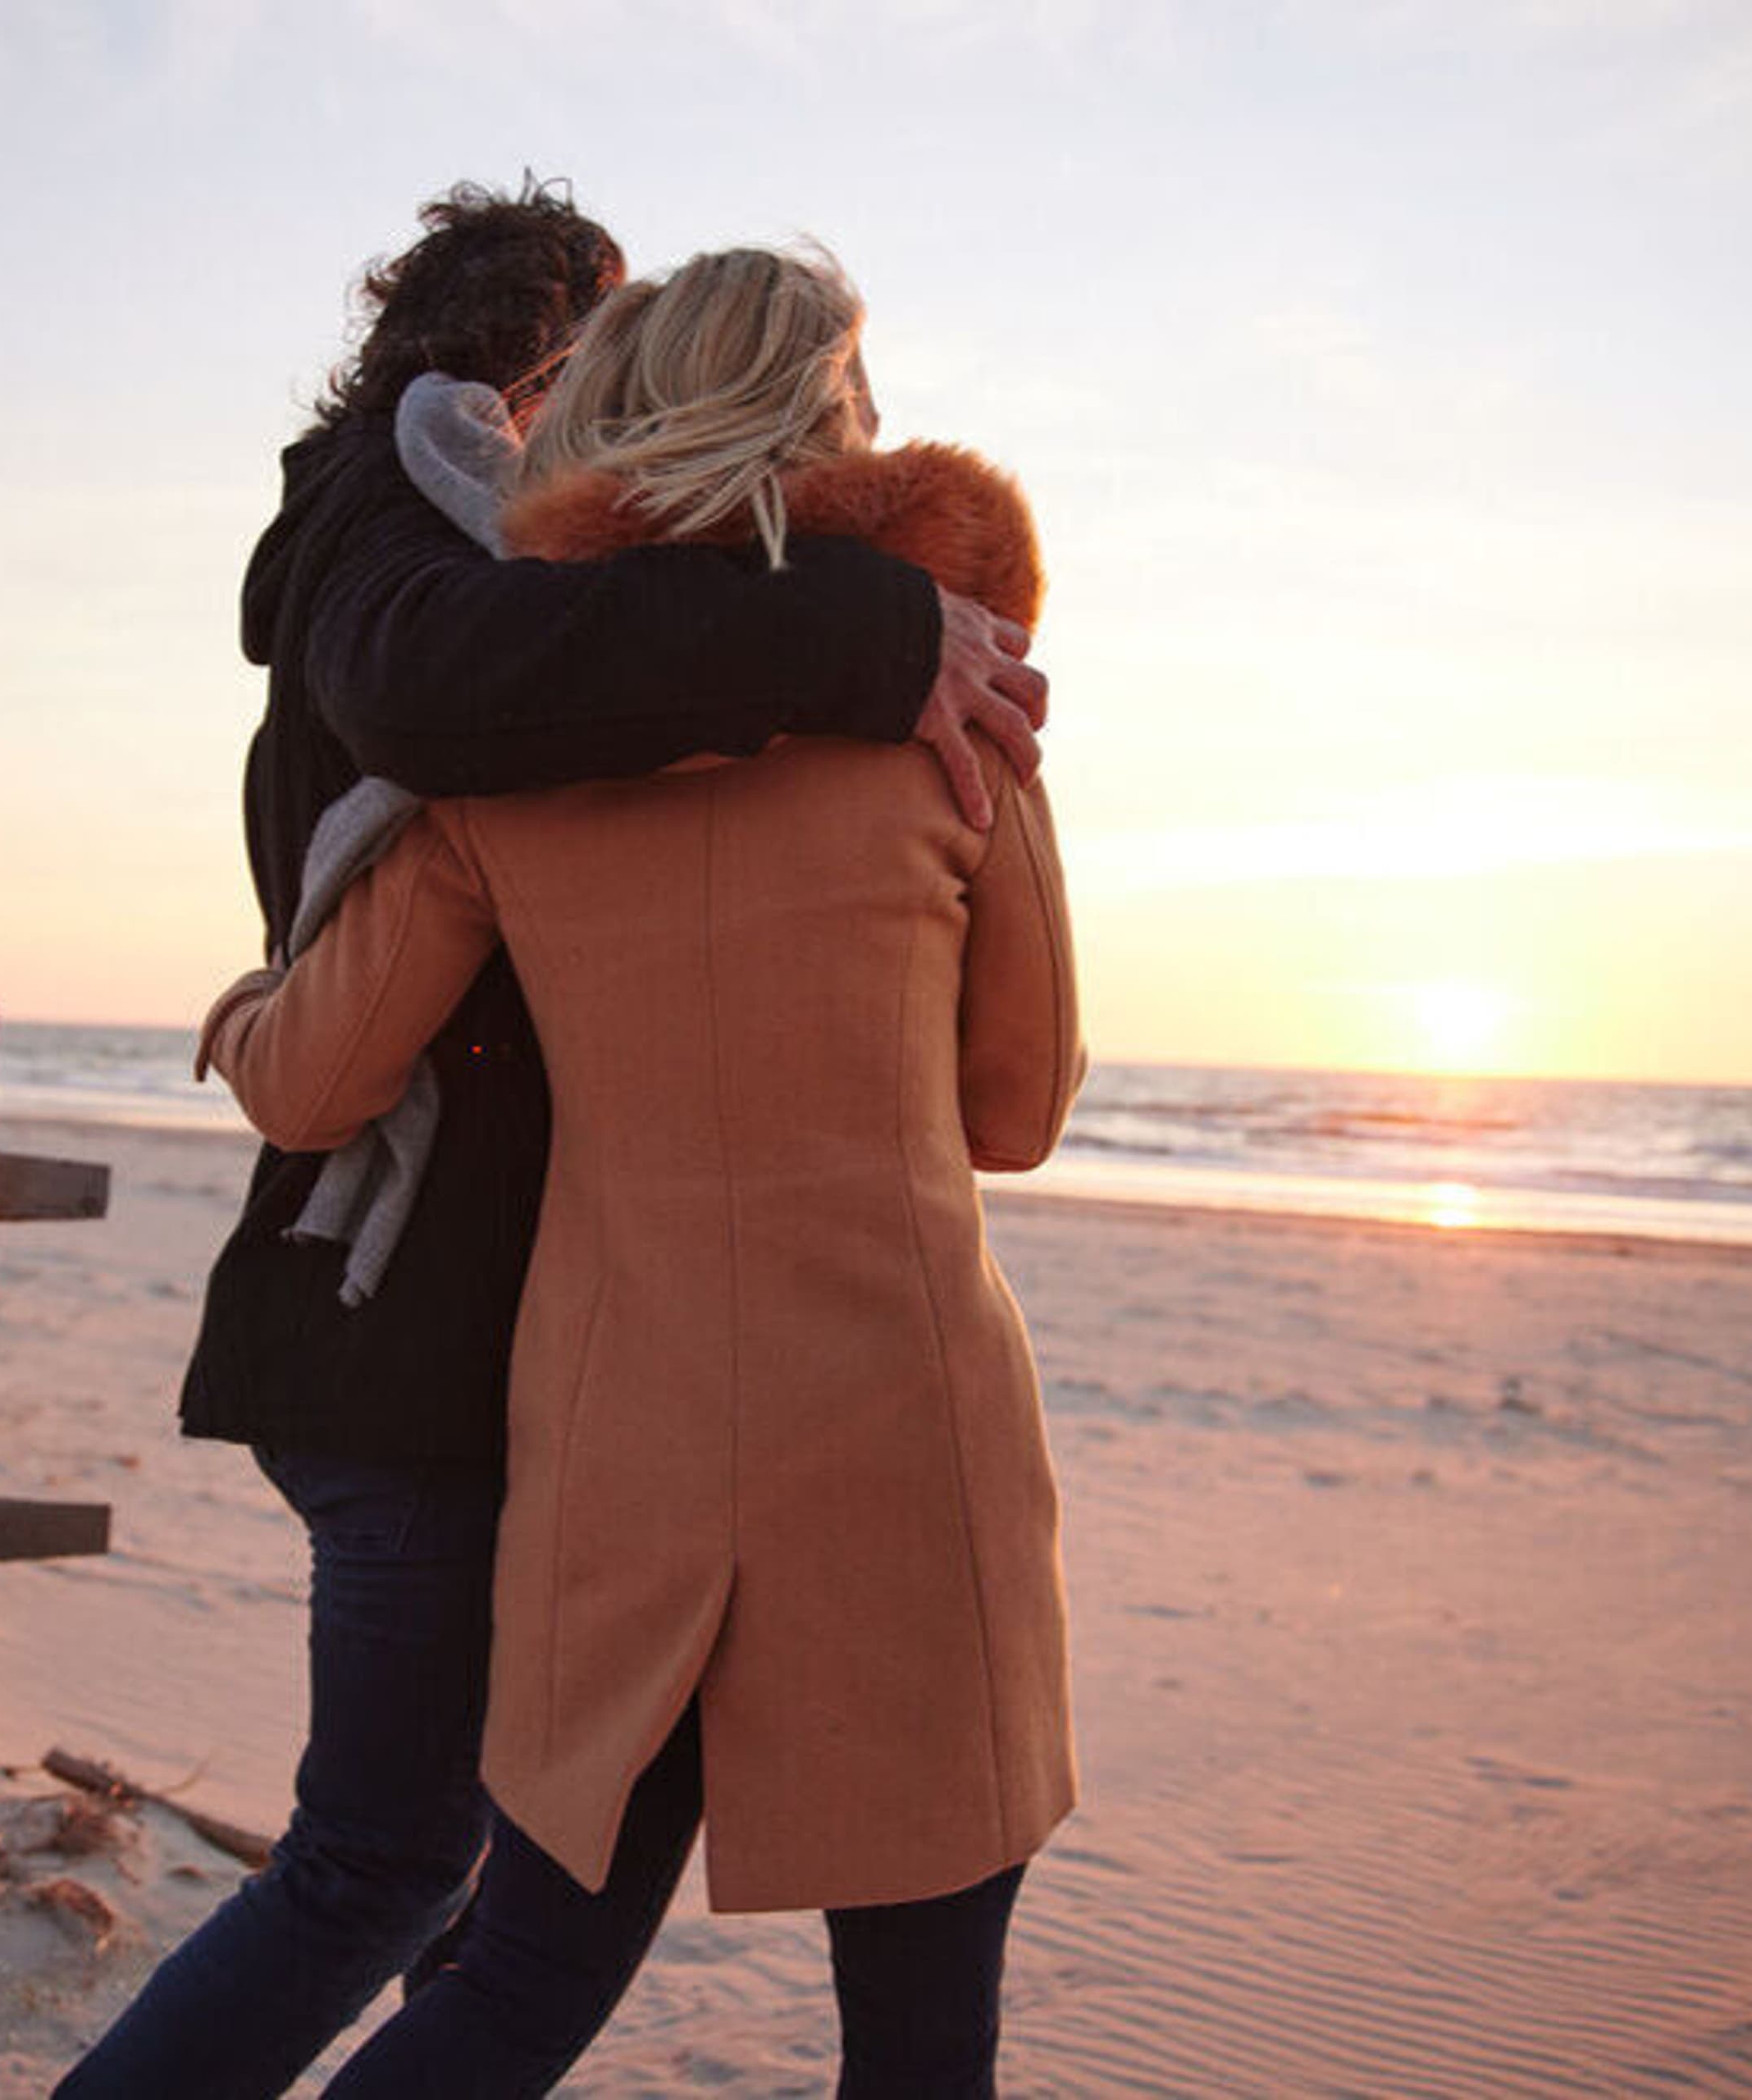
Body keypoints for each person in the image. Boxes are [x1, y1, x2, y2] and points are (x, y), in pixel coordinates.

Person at [52, 185, 1048, 2099]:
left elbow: (317, 1071)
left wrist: (242, 1008)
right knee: (918, 2040)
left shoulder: (516, 764)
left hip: (621, 1447)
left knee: (506, 1973)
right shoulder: (950, 711)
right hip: (897, 1438)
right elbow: (1021, 1102)